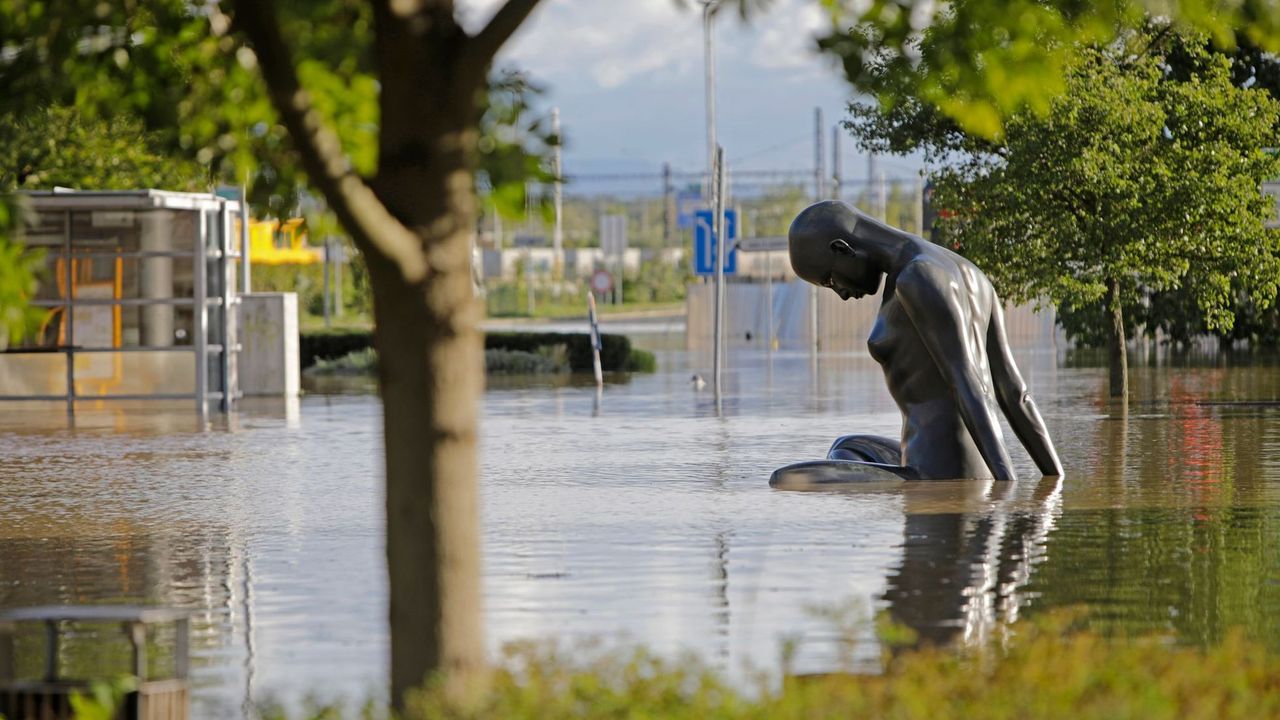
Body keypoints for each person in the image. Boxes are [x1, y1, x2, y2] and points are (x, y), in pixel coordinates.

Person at [770, 200, 1063, 487]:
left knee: (786, 479)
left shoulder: (916, 276)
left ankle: (937, 484)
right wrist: (1054, 479)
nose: (841, 294)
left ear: (842, 249)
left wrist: (1006, 486)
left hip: (936, 472)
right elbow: (1015, 393)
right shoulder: (971, 273)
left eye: (831, 280)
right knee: (848, 446)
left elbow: (966, 383)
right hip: (959, 461)